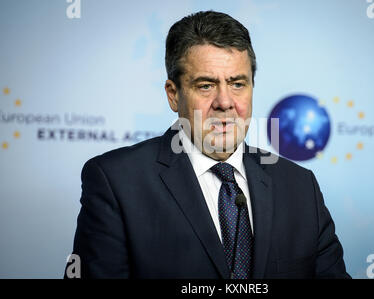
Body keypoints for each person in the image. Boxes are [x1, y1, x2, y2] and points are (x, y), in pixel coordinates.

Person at [66, 10, 350, 279]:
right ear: (173, 94)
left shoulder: (300, 186)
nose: (225, 102)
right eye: (206, 85)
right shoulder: (115, 181)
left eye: (238, 83)